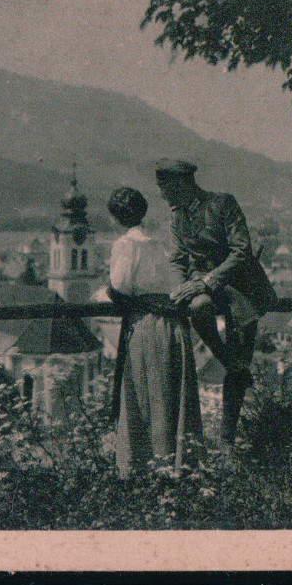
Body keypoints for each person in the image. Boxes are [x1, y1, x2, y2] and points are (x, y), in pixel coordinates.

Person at [155, 158, 278, 447]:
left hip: (240, 287)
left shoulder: (222, 204)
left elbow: (241, 252)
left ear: (182, 184)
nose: (162, 196)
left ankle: (227, 440)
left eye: (165, 188)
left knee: (241, 360)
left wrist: (204, 282)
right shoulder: (176, 216)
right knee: (198, 308)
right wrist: (178, 289)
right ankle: (226, 360)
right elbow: (177, 259)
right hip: (204, 286)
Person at [105, 186, 204, 477]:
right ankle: (174, 468)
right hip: (172, 325)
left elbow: (121, 286)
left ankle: (144, 470)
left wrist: (107, 291)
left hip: (146, 325)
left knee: (145, 395)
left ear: (116, 217)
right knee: (169, 397)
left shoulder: (125, 244)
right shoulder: (156, 242)